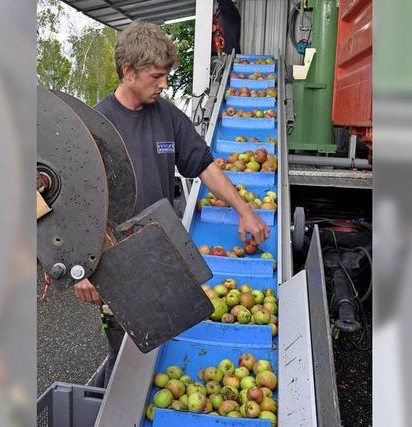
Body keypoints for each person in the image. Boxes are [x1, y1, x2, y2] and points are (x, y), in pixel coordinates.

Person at [74, 21, 269, 387]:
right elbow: (80, 204)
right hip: (117, 263)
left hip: (163, 255)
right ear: (128, 72)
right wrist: (83, 268)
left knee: (166, 352)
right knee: (127, 357)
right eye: (156, 76)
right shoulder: (97, 126)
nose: (164, 84)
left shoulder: (167, 116)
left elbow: (204, 165)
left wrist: (244, 210)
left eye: (166, 76)